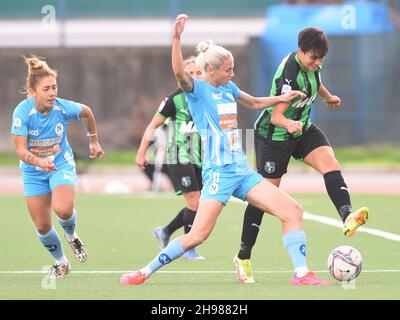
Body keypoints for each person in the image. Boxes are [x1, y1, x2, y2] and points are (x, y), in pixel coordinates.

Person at [120, 14, 330, 286]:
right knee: (197, 235)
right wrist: (176, 38)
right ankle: (143, 273)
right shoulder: (196, 91)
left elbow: (253, 102)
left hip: (242, 171)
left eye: (233, 69)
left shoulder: (227, 87)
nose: (233, 74)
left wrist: (281, 97)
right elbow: (178, 72)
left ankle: (301, 275)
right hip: (218, 174)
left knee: (292, 211)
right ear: (211, 70)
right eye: (228, 70)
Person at [233, 27, 369, 283]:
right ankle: (243, 257)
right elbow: (276, 116)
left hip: (302, 129)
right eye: (313, 58)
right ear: (300, 51)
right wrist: (289, 125)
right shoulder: (290, 78)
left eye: (321, 59)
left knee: (330, 162)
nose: (317, 63)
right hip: (275, 135)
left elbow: (316, 81)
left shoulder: (313, 64)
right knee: (263, 198)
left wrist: (327, 96)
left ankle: (347, 215)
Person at [11, 56, 105, 279]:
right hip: (34, 171)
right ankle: (61, 263)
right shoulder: (22, 113)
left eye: (54, 87)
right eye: (46, 89)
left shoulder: (63, 107)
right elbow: (21, 152)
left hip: (60, 163)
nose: (52, 93)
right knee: (43, 226)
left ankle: (72, 236)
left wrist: (93, 140)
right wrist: (39, 161)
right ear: (33, 92)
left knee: (63, 209)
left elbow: (87, 112)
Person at [135, 56, 205, 260]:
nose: (195, 76)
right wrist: (141, 152)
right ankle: (188, 248)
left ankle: (165, 231)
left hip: (199, 157)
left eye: (199, 72)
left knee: (199, 203)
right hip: (178, 155)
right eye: (190, 73)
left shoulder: (205, 97)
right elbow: (152, 126)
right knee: (195, 201)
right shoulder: (174, 99)